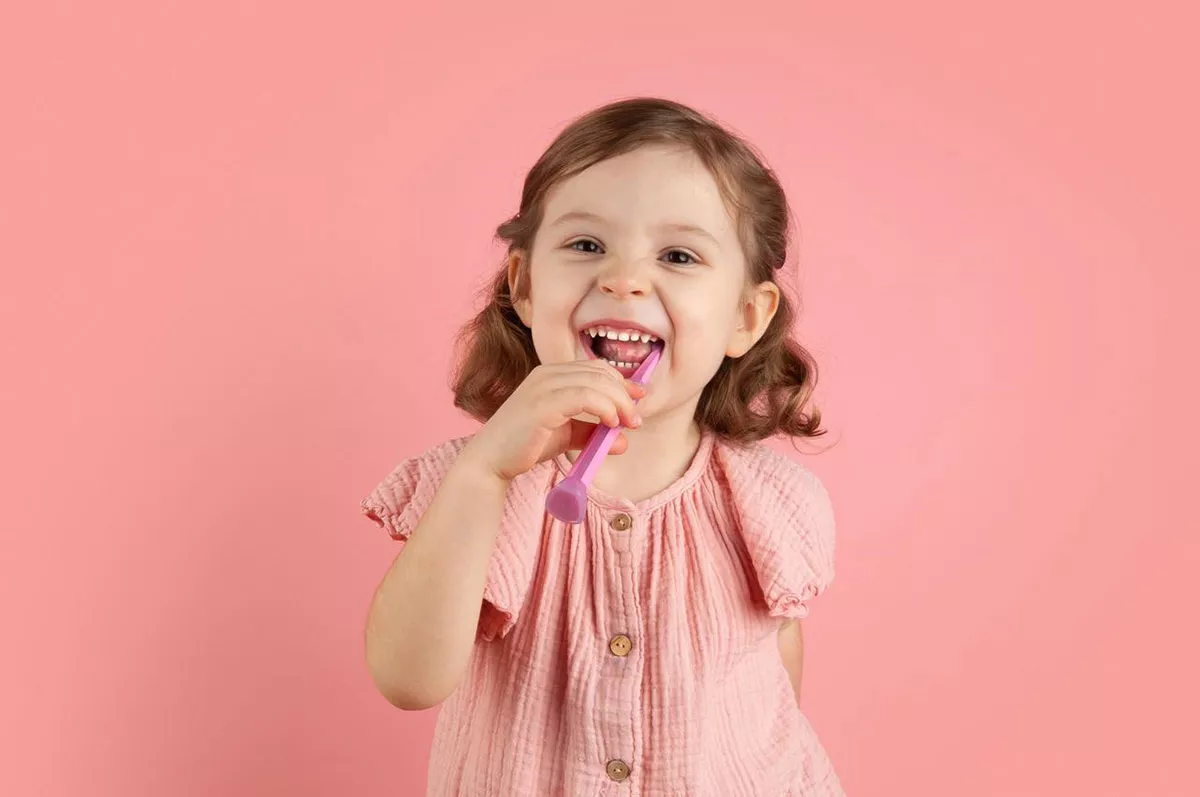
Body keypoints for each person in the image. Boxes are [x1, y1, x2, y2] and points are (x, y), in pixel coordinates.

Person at [360, 97, 843, 795]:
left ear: (745, 316)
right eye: (586, 245)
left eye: (678, 255)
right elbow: (407, 678)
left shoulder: (772, 504)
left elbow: (775, 673)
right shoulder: (473, 487)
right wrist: (482, 473)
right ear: (525, 288)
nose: (624, 278)